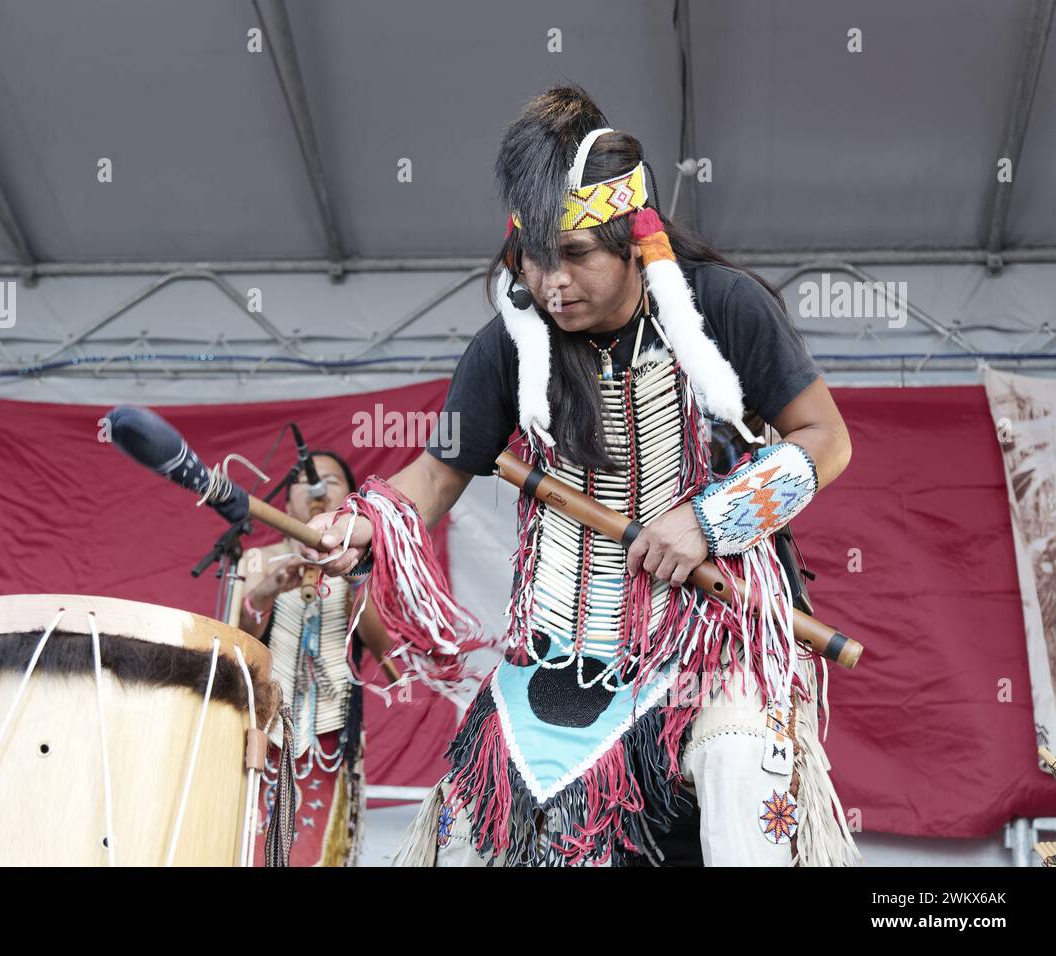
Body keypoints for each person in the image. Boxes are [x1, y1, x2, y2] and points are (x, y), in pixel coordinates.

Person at [302, 85, 861, 867]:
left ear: (635, 240)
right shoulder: (509, 345)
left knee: (740, 768)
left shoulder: (723, 308)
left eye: (575, 256)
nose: (551, 282)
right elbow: (434, 477)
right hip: (564, 648)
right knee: (467, 820)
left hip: (713, 638)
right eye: (533, 257)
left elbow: (826, 440)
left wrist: (708, 519)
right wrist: (361, 524)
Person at [239, 449, 385, 867]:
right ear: (286, 502)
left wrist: (359, 578)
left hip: (330, 730)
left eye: (331, 480)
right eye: (306, 479)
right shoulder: (257, 559)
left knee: (316, 848)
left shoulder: (363, 566)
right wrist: (265, 591)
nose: (318, 487)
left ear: (349, 502)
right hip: (262, 727)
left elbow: (383, 647)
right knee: (251, 841)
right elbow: (234, 641)